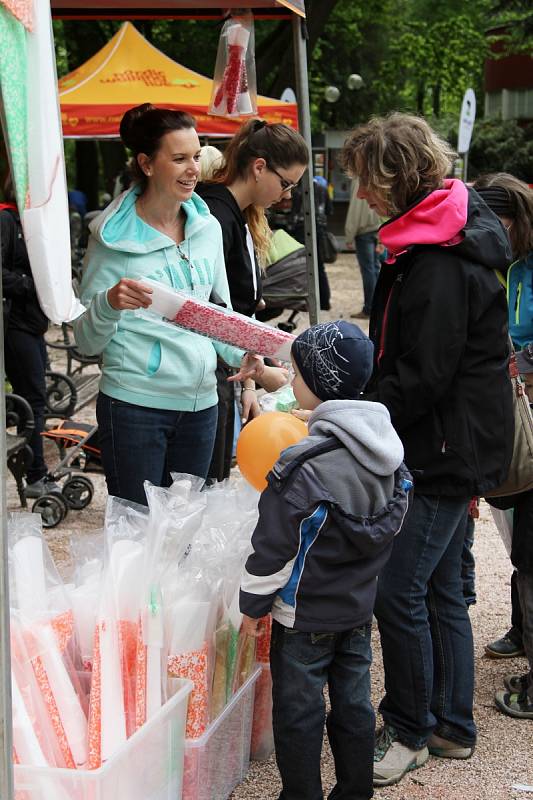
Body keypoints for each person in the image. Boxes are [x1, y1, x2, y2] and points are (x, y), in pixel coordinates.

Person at [339, 113, 514, 786]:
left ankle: (411, 728)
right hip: (453, 442)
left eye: (366, 181)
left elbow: (424, 373)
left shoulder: (438, 258)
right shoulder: (436, 240)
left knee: (397, 590)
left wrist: (353, 409)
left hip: (442, 449)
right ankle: (451, 727)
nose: (364, 195)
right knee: (440, 591)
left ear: (394, 177)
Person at [240, 320, 412, 800]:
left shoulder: (302, 467)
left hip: (304, 614)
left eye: (295, 375)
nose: (290, 383)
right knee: (355, 705)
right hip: (357, 607)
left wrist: (253, 607)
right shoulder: (388, 453)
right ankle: (355, 790)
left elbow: (274, 547)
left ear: (318, 385)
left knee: (298, 712)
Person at [73, 103, 263, 506]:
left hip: (202, 407)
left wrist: (246, 355)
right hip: (133, 406)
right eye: (178, 158)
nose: (193, 168)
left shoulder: (208, 227)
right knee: (137, 537)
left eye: (196, 155)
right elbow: (86, 342)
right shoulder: (111, 241)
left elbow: (218, 313)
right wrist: (109, 303)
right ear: (146, 163)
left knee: (184, 535)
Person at [196, 119, 309, 481]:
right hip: (208, 371)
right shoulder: (216, 215)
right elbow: (214, 309)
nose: (288, 195)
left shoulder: (236, 215)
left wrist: (249, 379)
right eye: (286, 183)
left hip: (225, 369)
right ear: (259, 167)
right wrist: (251, 374)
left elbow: (236, 310)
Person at [472, 173, 533, 717]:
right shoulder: (498, 261)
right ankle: (520, 629)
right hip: (508, 411)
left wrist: (514, 359)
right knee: (517, 533)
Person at [1, 187, 58, 498]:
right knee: (32, 401)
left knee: (36, 399)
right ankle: (35, 474)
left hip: (33, 324)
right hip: (16, 325)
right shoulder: (7, 220)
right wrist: (28, 285)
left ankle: (35, 470)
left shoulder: (30, 225)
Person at [288, 175, 333, 311]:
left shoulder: (298, 189)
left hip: (302, 230)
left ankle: (304, 299)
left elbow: (293, 212)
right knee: (319, 267)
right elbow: (329, 210)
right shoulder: (322, 187)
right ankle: (324, 301)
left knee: (302, 266)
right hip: (320, 230)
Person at [344, 178, 382, 319]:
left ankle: (369, 309)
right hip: (377, 229)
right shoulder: (374, 177)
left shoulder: (358, 181)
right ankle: (378, 307)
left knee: (369, 271)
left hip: (364, 233)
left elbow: (355, 210)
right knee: (375, 269)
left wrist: (349, 235)